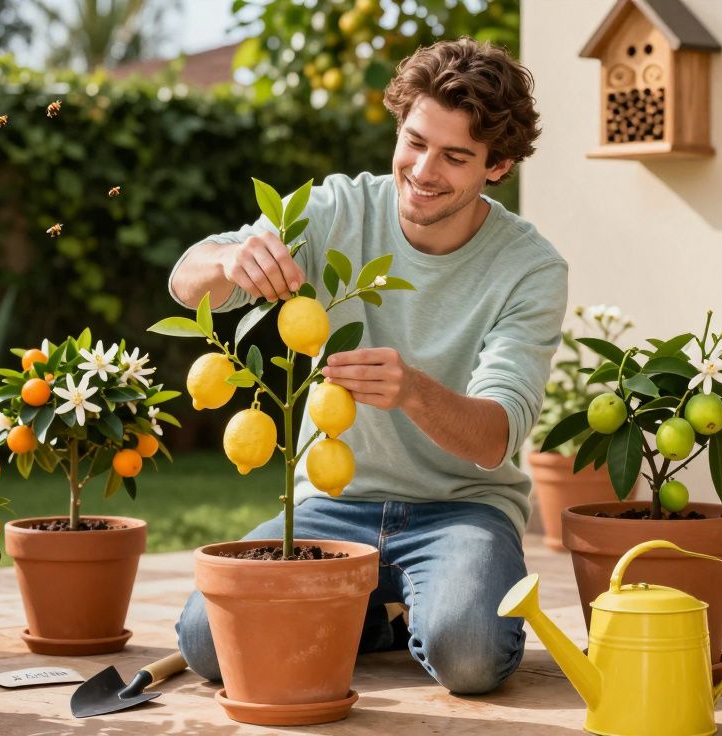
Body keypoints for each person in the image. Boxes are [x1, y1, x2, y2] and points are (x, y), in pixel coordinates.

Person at [167, 37, 567, 695]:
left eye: (455, 156)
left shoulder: (530, 269)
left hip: (460, 509)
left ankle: (398, 612)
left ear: (497, 166)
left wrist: (412, 390)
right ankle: (378, 620)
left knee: (468, 655)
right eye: (414, 141)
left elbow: (496, 438)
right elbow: (188, 281)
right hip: (331, 502)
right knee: (208, 643)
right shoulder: (336, 209)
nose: (423, 170)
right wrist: (227, 261)